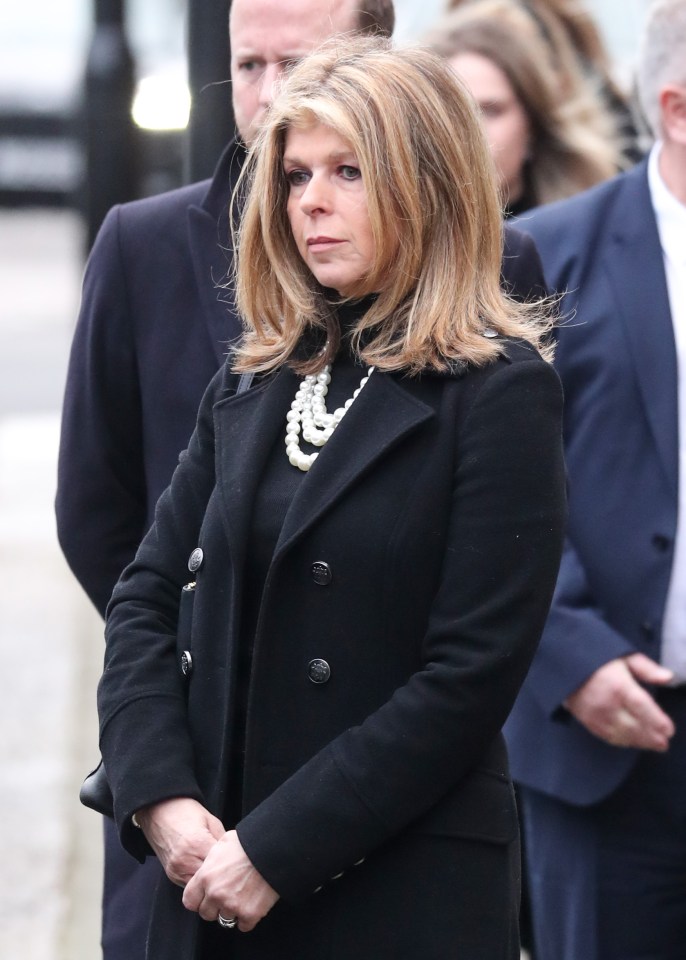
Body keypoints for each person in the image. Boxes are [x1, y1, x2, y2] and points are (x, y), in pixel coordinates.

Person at [57, 0, 548, 956]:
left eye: (348, 172)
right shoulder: (260, 372)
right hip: (205, 870)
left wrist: (275, 851)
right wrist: (159, 794)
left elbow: (468, 676)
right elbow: (146, 595)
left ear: (424, 181)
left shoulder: (499, 391)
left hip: (387, 887)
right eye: (295, 176)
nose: (309, 201)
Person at [506, 1, 686, 957]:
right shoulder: (545, 258)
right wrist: (570, 655)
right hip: (606, 741)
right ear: (678, 108)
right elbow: (492, 493)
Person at [425, 0, 621, 215]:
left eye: (491, 111)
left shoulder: (589, 227)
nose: (473, 132)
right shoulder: (404, 238)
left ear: (532, 125)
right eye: (454, 113)